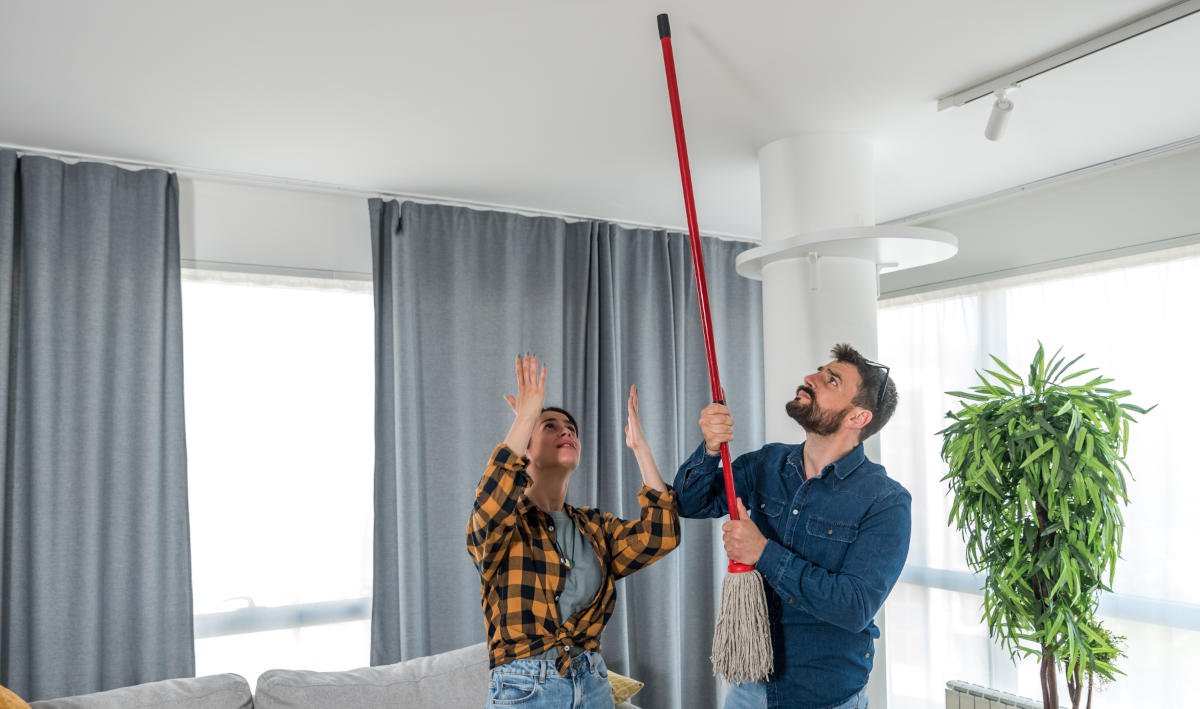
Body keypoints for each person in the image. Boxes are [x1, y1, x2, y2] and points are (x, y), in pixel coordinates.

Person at [673, 343, 910, 709]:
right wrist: (708, 447)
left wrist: (762, 552)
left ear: (857, 418)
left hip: (824, 696)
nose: (810, 379)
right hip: (748, 690)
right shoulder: (768, 464)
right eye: (820, 370)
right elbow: (690, 502)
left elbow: (854, 605)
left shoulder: (885, 501)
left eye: (831, 381)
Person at [467, 353, 681, 709]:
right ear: (526, 450)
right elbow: (492, 499)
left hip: (593, 683)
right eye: (549, 425)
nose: (566, 430)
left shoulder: (594, 527)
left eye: (571, 429)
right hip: (524, 689)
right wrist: (524, 417)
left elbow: (662, 534)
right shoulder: (505, 525)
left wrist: (640, 448)